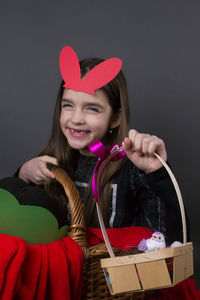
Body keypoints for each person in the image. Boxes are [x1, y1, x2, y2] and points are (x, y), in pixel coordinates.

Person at [17, 47, 184, 245]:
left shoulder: (133, 168)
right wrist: (23, 176)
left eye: (92, 108)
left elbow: (168, 241)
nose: (76, 118)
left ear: (115, 118)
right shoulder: (50, 162)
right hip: (62, 272)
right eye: (68, 105)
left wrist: (156, 174)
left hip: (113, 274)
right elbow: (15, 222)